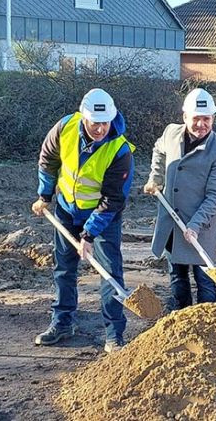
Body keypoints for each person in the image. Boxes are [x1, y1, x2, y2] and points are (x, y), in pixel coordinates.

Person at [31, 88, 134, 353]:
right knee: (64, 269)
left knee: (110, 272)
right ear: (83, 116)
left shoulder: (120, 150)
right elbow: (48, 160)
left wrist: (88, 235)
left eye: (104, 123)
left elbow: (113, 199)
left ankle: (114, 334)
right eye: (94, 123)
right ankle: (62, 323)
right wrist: (44, 195)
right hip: (66, 209)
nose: (99, 128)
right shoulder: (65, 127)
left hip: (103, 217)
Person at [144, 88, 216, 311]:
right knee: (177, 276)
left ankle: (208, 323)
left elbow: (215, 197)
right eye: (196, 118)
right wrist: (155, 177)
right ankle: (182, 319)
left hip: (199, 225)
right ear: (185, 117)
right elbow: (159, 150)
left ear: (213, 119)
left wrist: (194, 226)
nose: (201, 124)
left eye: (206, 119)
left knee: (205, 278)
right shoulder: (171, 133)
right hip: (172, 223)